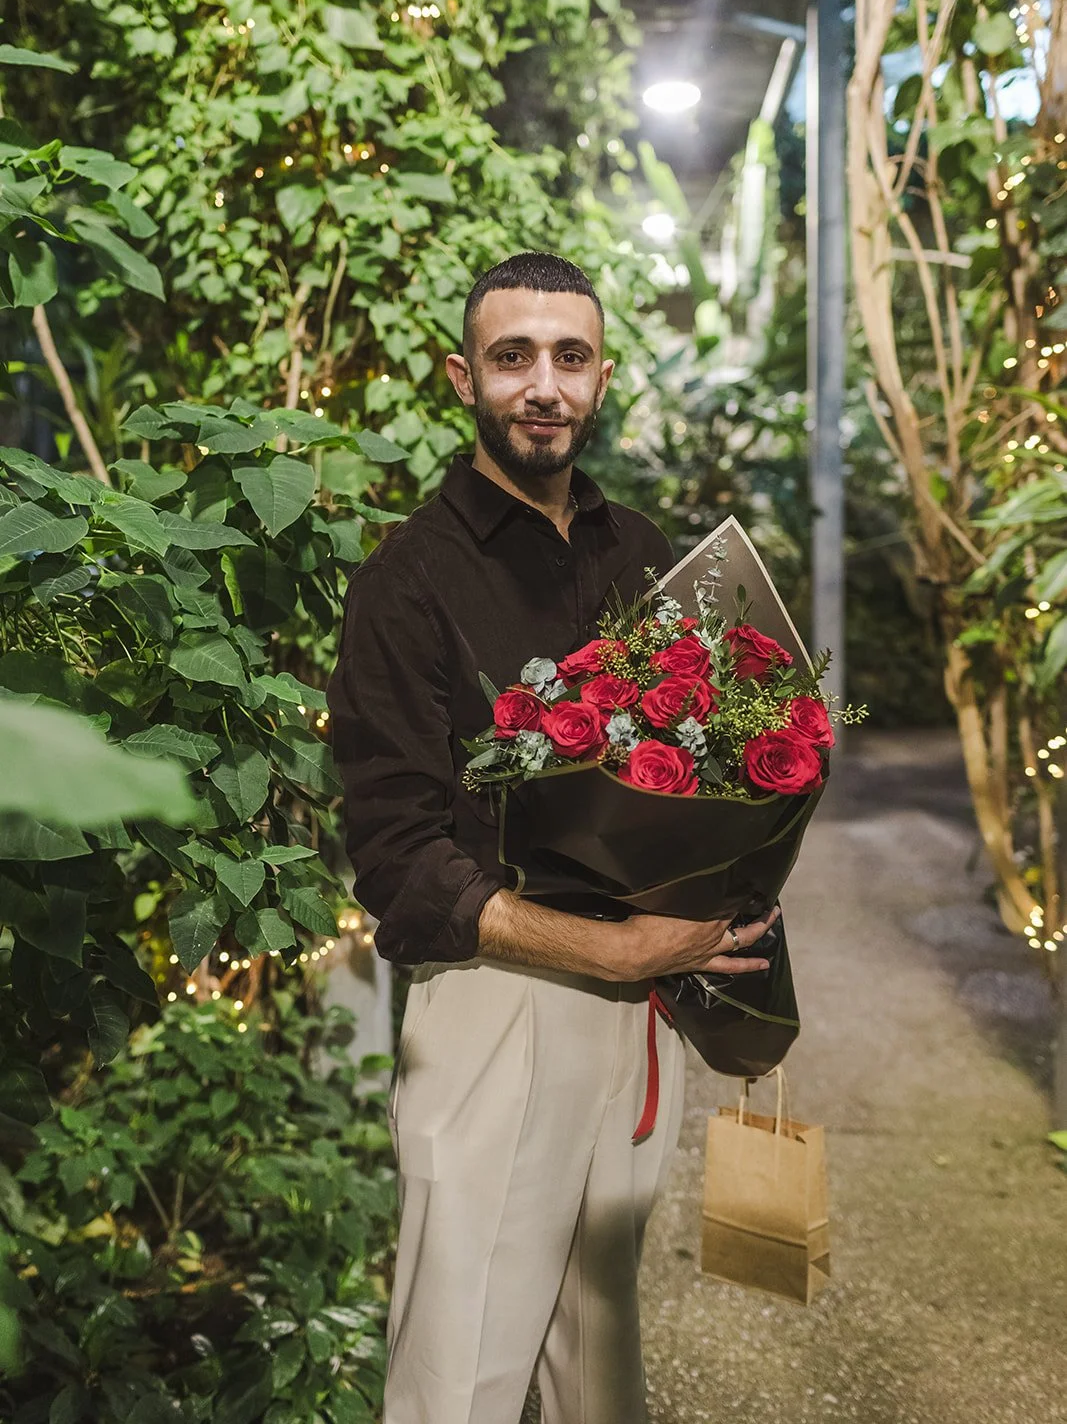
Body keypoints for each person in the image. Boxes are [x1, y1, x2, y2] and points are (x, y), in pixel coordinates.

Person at [327, 252, 778, 1424]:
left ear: (600, 377)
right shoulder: (406, 579)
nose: (542, 384)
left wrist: (726, 910)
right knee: (459, 1370)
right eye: (511, 356)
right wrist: (610, 954)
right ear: (461, 375)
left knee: (600, 1368)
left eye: (567, 358)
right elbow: (395, 853)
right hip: (497, 997)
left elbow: (711, 761)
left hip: (638, 1014)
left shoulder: (642, 557)